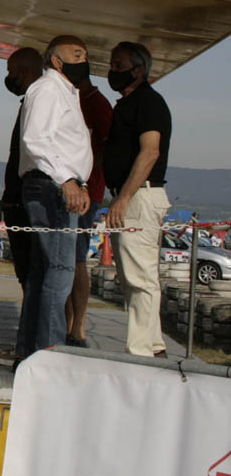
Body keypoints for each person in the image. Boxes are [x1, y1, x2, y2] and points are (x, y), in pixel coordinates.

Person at [13, 35, 92, 369]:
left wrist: (76, 181)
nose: (83, 61)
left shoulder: (66, 92)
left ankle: (29, 352)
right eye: (76, 55)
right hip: (52, 188)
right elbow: (35, 140)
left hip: (54, 185)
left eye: (85, 55)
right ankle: (49, 356)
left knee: (43, 273)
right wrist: (67, 180)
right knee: (59, 273)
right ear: (57, 61)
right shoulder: (48, 89)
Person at [104, 41, 172, 358]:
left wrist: (124, 198)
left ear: (139, 69)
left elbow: (150, 151)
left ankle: (141, 350)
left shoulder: (149, 102)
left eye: (119, 65)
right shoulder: (127, 104)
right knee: (133, 276)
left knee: (140, 277)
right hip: (129, 195)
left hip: (140, 196)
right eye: (112, 65)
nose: (113, 71)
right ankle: (153, 345)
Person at [0, 47, 42, 367]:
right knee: (30, 278)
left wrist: (17, 196)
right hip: (17, 198)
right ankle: (29, 340)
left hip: (25, 201)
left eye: (10, 72)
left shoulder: (38, 101)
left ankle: (29, 345)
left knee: (32, 278)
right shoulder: (30, 102)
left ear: (22, 72)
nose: (8, 79)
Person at [64, 70, 112, 347]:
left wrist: (85, 180)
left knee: (77, 259)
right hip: (69, 190)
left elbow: (106, 146)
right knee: (65, 259)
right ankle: (67, 323)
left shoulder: (96, 103)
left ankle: (78, 328)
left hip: (86, 192)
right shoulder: (70, 99)